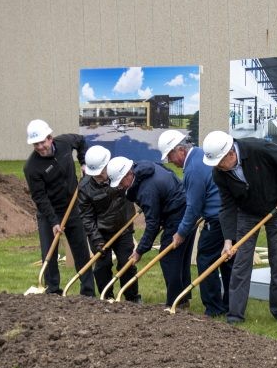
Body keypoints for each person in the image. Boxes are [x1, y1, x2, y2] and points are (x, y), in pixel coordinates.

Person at [202, 130, 277, 324]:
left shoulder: (258, 148)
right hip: (246, 213)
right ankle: (235, 315)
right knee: (240, 263)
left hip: (276, 209)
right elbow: (227, 206)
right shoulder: (219, 173)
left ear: (231, 153)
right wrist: (228, 241)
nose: (219, 167)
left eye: (220, 162)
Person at [106, 155, 194, 307]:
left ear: (128, 174)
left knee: (169, 258)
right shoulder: (143, 166)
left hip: (178, 214)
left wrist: (140, 250)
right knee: (180, 258)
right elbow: (169, 173)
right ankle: (182, 299)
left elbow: (152, 225)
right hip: (183, 208)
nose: (121, 187)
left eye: (121, 182)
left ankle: (176, 302)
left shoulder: (147, 190)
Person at [159, 130, 230, 317]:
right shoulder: (200, 154)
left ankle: (214, 308)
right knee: (227, 261)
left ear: (180, 150)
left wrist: (181, 232)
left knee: (206, 260)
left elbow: (193, 207)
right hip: (228, 217)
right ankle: (229, 304)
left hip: (216, 221)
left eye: (170, 156)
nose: (170, 161)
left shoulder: (193, 169)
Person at [23, 119, 95, 296]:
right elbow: (39, 197)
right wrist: (54, 221)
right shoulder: (31, 167)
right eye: (35, 144)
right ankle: (53, 291)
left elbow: (81, 141)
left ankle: (88, 293)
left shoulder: (64, 143)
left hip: (72, 206)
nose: (39, 147)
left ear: (50, 138)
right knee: (49, 253)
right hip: (49, 213)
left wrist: (83, 163)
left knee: (81, 251)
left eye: (42, 142)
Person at [78, 145, 139, 301]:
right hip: (101, 232)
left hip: (123, 228)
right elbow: (86, 217)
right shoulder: (85, 187)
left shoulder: (120, 173)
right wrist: (96, 239)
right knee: (102, 267)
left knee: (127, 264)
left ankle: (132, 298)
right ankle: (107, 297)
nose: (99, 176)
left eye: (101, 172)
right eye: (95, 174)